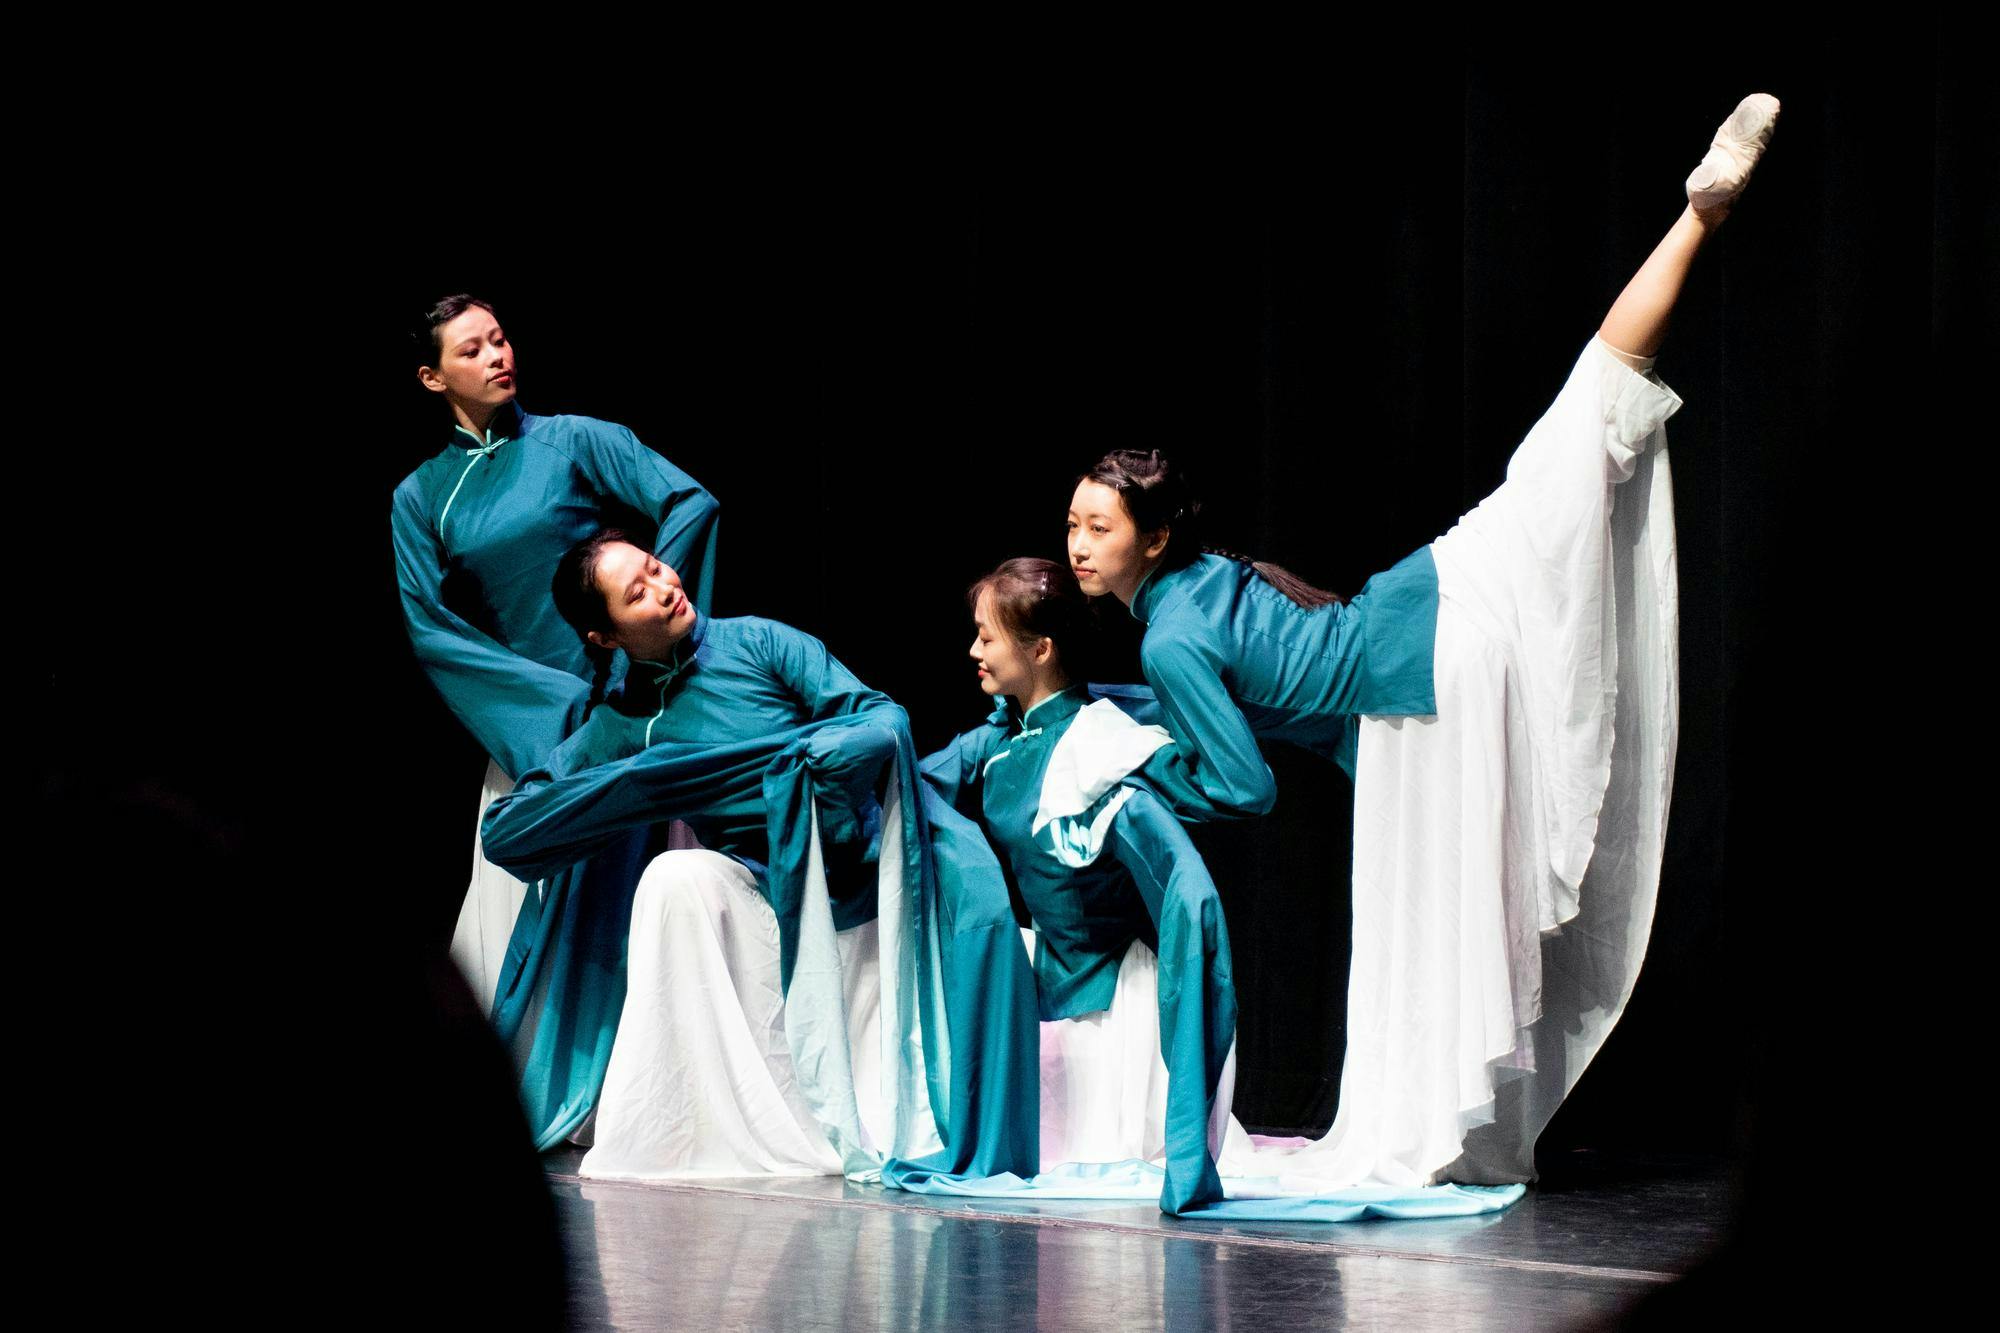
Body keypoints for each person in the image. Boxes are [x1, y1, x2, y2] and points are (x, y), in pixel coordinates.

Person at [1063, 95, 1780, 1189]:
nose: (1074, 544)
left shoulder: (1169, 639)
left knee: (1427, 942)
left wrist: (1141, 773)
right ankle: (1694, 220)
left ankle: (1444, 1127)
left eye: (1094, 526)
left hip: (1411, 694)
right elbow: (1244, 681)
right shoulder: (1200, 589)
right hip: (1429, 593)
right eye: (1071, 524)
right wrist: (1139, 720)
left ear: (1151, 539)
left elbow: (1246, 786)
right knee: (1576, 428)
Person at [479, 532, 1041, 1185]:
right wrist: (637, 787)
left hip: (860, 861)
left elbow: (882, 720)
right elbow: (508, 832)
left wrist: (803, 765)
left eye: (657, 569)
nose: (666, 588)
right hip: (771, 896)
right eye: (638, 593)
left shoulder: (756, 642)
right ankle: (700, 1119)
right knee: (672, 876)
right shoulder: (621, 727)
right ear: (606, 637)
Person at [391, 295, 720, 1145]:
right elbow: (429, 625)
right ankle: (511, 1103)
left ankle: (653, 1099)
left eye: (500, 337)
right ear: (433, 377)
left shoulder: (574, 438)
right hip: (534, 727)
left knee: (652, 901)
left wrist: (639, 643)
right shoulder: (424, 494)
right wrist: (545, 711)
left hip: (628, 710)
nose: (499, 354)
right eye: (473, 349)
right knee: (515, 904)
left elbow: (691, 501)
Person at [913, 558, 1237, 1213]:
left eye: (987, 636)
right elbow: (912, 787)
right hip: (1041, 998)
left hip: (1112, 1014)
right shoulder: (1002, 739)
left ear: (1040, 649)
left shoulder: (1105, 756)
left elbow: (1185, 882)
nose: (973, 650)